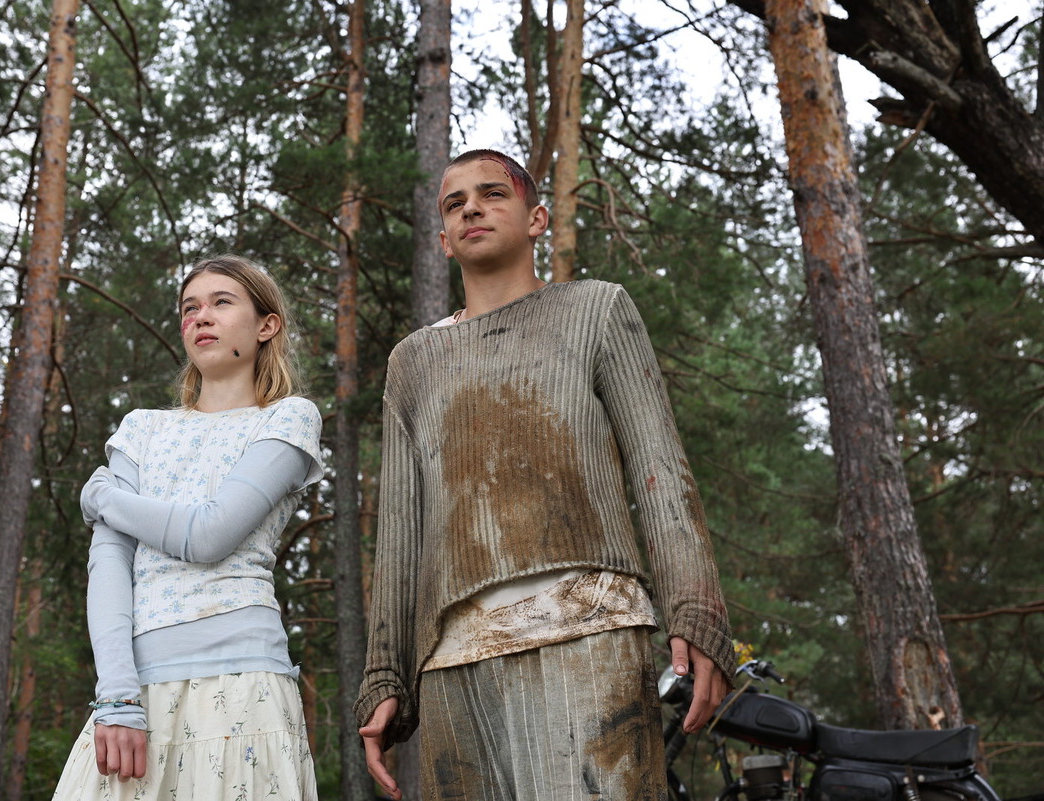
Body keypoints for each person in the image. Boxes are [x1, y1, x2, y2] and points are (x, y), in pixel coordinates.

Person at [355, 150, 735, 800]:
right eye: (454, 203)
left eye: (492, 193)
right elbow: (398, 531)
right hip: (453, 659)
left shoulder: (596, 309)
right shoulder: (413, 361)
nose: (472, 208)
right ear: (443, 240)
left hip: (589, 633)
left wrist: (696, 613)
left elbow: (661, 472)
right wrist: (385, 674)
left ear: (537, 220)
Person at [53, 255, 322, 801]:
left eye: (222, 302)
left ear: (266, 325)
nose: (201, 316)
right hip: (135, 691)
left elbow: (209, 535)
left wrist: (103, 497)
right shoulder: (141, 429)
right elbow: (109, 563)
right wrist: (117, 696)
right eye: (189, 308)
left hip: (245, 688)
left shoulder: (289, 417)